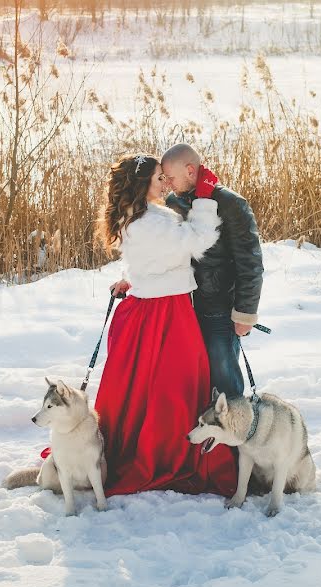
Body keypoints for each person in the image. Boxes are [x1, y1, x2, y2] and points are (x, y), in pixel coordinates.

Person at [93, 153, 237, 496]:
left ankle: (155, 445)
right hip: (166, 312)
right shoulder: (150, 222)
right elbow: (197, 241)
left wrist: (132, 278)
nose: (164, 183)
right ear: (143, 184)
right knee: (177, 385)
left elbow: (153, 258)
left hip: (158, 304)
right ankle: (166, 454)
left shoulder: (143, 217)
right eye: (159, 178)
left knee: (155, 386)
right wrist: (203, 199)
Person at [160, 143, 264, 400]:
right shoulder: (173, 204)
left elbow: (250, 262)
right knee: (192, 380)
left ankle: (233, 436)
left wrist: (245, 313)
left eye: (171, 178)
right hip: (184, 306)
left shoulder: (230, 204)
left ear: (190, 170)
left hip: (220, 308)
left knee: (223, 377)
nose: (168, 184)